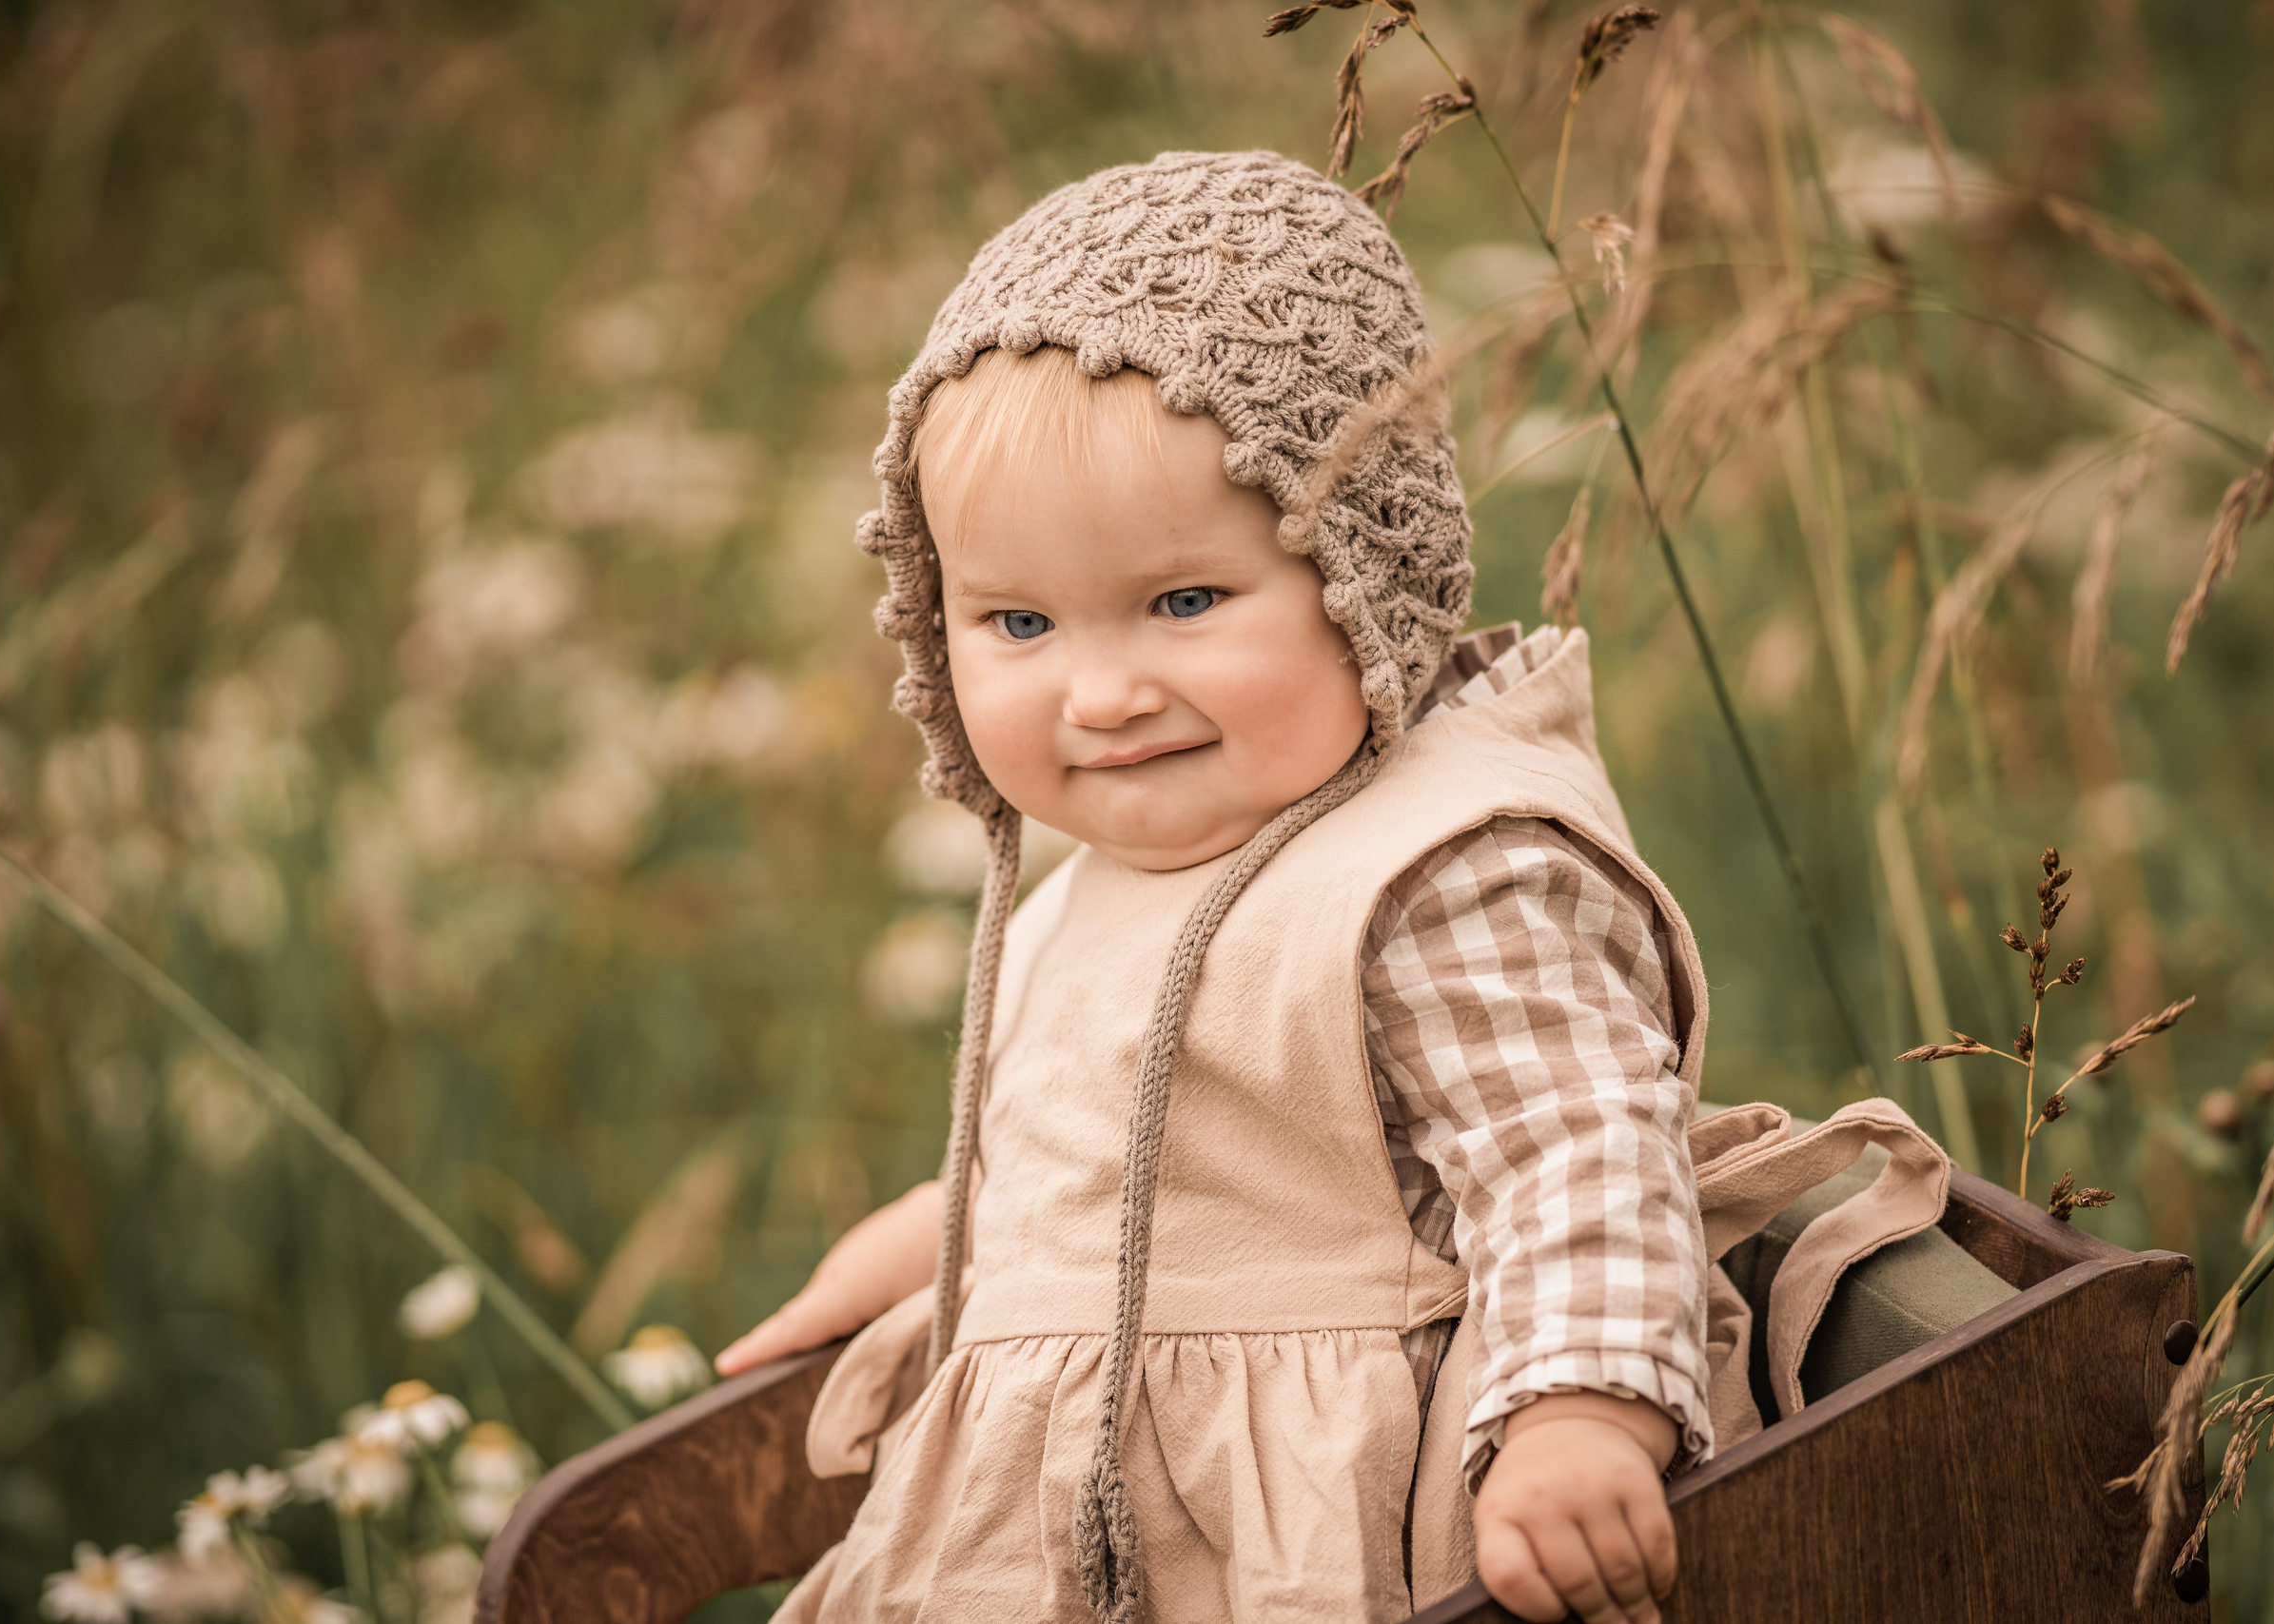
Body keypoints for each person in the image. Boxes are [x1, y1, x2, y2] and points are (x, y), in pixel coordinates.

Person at [718, 148, 1714, 1624]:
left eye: (1183, 602)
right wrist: (954, 1229)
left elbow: (1574, 1154)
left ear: (1367, 574)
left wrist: (1581, 1410)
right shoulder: (1097, 879)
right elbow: (1156, 1157)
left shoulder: (1436, 873)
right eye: (1019, 623)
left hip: (1303, 1528)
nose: (1103, 693)